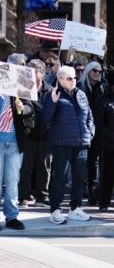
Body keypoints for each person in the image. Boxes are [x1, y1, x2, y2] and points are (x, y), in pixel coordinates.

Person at [0, 54, 35, 232]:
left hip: (14, 143)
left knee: (12, 181)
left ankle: (12, 217)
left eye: (23, 65)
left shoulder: (22, 86)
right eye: (18, 65)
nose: (21, 68)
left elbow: (31, 109)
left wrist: (23, 108)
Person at [44, 65, 95, 224]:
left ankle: (75, 208)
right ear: (60, 79)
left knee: (79, 177)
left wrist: (90, 133)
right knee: (59, 177)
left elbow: (89, 117)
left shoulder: (81, 94)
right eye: (70, 78)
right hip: (62, 143)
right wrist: (52, 103)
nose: (74, 80)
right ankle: (55, 210)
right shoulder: (52, 95)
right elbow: (45, 118)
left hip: (81, 143)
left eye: (75, 77)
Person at [19, 59, 52, 207]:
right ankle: (24, 195)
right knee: (26, 167)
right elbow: (25, 108)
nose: (30, 74)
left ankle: (42, 196)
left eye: (34, 71)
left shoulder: (51, 91)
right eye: (29, 70)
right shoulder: (24, 89)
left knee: (44, 167)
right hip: (28, 135)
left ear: (42, 74)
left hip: (45, 136)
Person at [78, 61, 107, 206]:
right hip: (82, 129)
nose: (97, 73)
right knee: (81, 160)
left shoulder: (103, 87)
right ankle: (80, 189)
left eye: (100, 72)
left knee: (94, 161)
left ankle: (93, 190)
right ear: (88, 71)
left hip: (98, 130)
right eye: (95, 71)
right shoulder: (80, 87)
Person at [98, 70, 114, 211]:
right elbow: (100, 124)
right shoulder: (105, 100)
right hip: (109, 145)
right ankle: (104, 202)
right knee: (108, 174)